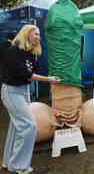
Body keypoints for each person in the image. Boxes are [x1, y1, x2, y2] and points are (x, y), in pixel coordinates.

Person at [1, 25, 60, 174]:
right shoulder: (14, 51)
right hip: (12, 91)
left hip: (23, 90)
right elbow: (26, 74)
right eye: (36, 34)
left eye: (39, 35)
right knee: (29, 126)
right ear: (26, 34)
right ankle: (18, 165)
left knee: (17, 127)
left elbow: (31, 72)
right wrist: (49, 80)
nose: (38, 37)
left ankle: (9, 162)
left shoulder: (31, 53)